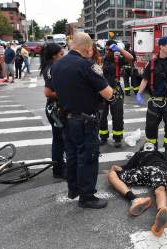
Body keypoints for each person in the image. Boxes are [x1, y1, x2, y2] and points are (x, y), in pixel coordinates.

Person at [52, 32, 113, 209]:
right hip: (85, 120)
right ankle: (87, 197)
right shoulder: (87, 65)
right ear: (87, 48)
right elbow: (108, 94)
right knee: (87, 157)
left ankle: (74, 189)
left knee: (71, 156)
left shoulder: (57, 65)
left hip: (66, 119)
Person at [108, 142, 167, 237]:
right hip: (158, 170)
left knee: (112, 174)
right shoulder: (159, 154)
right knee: (160, 189)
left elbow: (127, 167)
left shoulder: (139, 154)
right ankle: (162, 209)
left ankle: (134, 200)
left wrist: (116, 168)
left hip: (142, 172)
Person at [135, 36, 167, 159]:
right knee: (151, 127)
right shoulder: (152, 63)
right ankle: (152, 147)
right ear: (161, 47)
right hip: (154, 101)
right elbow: (145, 80)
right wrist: (139, 93)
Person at [99, 40, 133, 148]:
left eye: (110, 49)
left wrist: (119, 49)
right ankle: (103, 137)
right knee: (101, 116)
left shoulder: (118, 59)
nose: (108, 51)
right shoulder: (102, 59)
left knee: (117, 116)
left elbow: (131, 58)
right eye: (107, 49)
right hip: (103, 91)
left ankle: (117, 138)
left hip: (116, 91)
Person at [40, 43, 65, 178]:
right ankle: (58, 169)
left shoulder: (52, 67)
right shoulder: (52, 69)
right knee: (59, 140)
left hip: (55, 108)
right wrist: (67, 93)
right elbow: (48, 92)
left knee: (59, 139)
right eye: (61, 54)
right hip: (56, 109)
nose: (64, 56)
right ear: (54, 55)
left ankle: (60, 166)